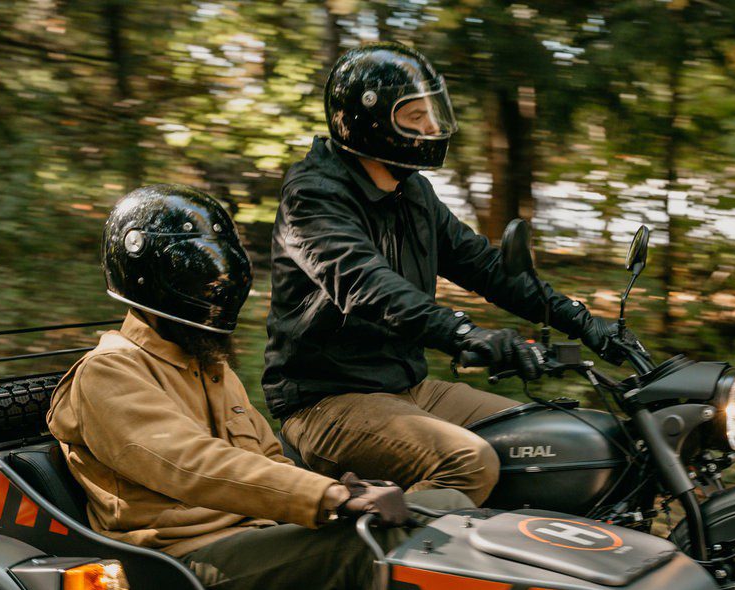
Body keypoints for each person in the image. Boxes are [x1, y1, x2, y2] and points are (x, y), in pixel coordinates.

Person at [47, 183, 464, 590]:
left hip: (256, 534)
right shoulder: (110, 372)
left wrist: (347, 490)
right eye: (199, 280)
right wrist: (331, 498)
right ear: (152, 281)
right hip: (182, 563)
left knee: (449, 507)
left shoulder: (206, 364)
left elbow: (265, 459)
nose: (215, 290)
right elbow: (195, 466)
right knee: (373, 545)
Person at [264, 42, 623, 505]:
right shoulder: (314, 196)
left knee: (553, 439)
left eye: (432, 114)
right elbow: (367, 284)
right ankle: (371, 540)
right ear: (371, 123)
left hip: (409, 389)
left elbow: (485, 266)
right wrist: (464, 334)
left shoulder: (413, 193)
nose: (432, 128)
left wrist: (582, 321)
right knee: (470, 462)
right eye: (415, 117)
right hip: (327, 404)